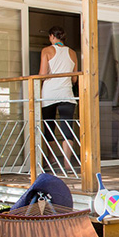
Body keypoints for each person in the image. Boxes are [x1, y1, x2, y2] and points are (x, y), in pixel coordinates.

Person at [39, 26, 78, 172]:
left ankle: (52, 159)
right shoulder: (72, 53)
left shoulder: (46, 51)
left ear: (52, 37)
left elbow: (43, 74)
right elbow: (74, 78)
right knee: (67, 128)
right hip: (67, 93)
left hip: (49, 93)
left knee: (49, 126)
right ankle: (67, 164)